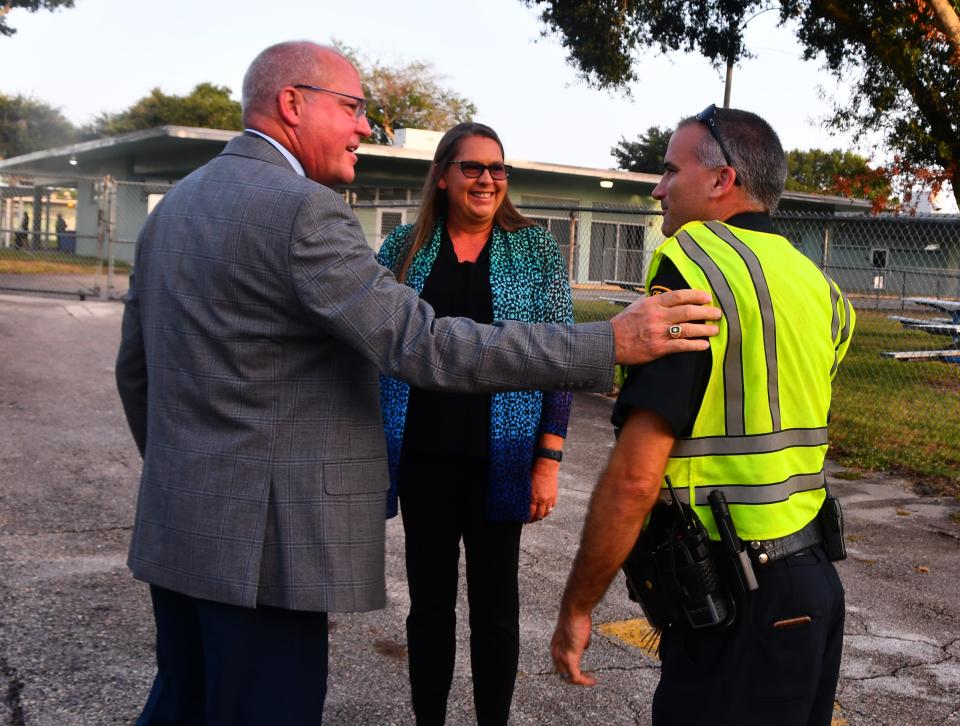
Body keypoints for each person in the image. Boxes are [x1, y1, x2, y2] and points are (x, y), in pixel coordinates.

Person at [114, 41, 721, 726]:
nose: (365, 128)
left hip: (182, 533)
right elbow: (421, 342)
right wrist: (608, 340)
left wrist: (189, 476)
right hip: (263, 553)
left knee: (183, 707)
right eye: (352, 108)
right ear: (291, 104)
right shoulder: (304, 213)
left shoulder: (177, 207)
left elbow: (135, 370)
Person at [551, 105, 855, 726]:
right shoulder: (818, 286)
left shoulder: (695, 264)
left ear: (723, 180)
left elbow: (637, 475)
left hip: (737, 601)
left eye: (669, 170)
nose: (658, 187)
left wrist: (578, 605)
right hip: (814, 589)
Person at [377, 122, 573, 725]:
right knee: (429, 608)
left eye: (498, 169)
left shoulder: (535, 250)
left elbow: (559, 356)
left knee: (496, 608)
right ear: (443, 174)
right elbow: (376, 346)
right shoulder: (403, 250)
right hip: (423, 457)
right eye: (473, 167)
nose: (488, 179)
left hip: (503, 458)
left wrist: (548, 457)